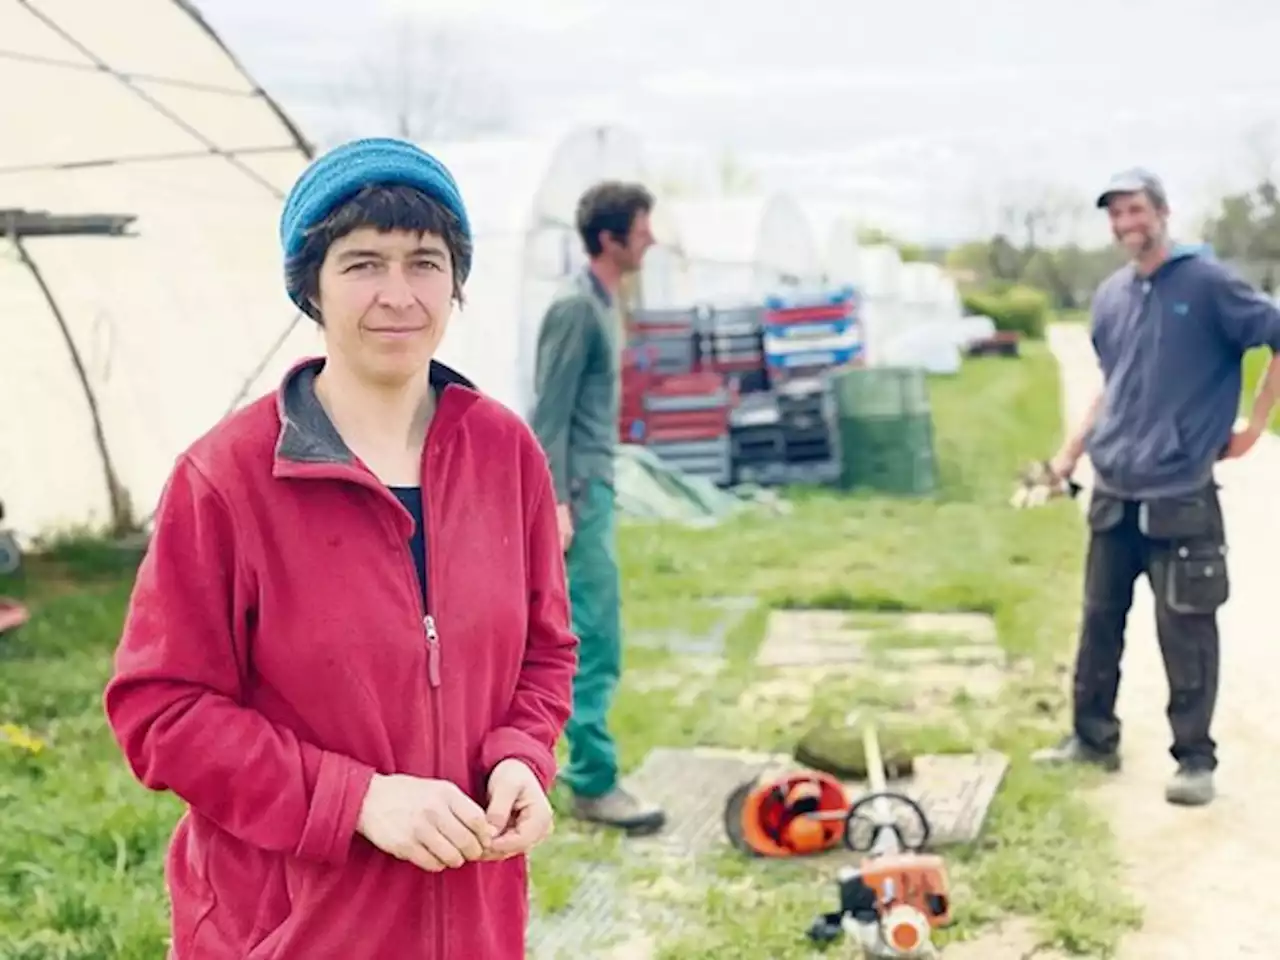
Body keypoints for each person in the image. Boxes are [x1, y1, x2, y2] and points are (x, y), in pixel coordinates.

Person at [102, 137, 579, 958]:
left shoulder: (506, 454)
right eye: (362, 263)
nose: (398, 294)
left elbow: (546, 652)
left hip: (472, 922)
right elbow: (161, 710)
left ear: (456, 282)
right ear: (310, 288)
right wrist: (356, 801)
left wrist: (520, 759)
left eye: (425, 262)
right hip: (293, 929)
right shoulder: (226, 480)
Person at [1034, 167, 1280, 807]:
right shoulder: (1113, 295)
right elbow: (1112, 386)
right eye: (1115, 214)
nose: (1125, 224)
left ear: (1162, 212)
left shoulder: (1208, 283)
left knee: (1186, 628)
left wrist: (1254, 424)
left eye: (1135, 210)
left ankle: (1194, 759)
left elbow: (1275, 335)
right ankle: (1092, 738)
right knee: (1098, 621)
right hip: (1115, 488)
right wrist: (1068, 455)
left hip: (1180, 493)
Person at [528, 181, 665, 835]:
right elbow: (545, 416)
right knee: (593, 636)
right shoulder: (575, 309)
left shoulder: (610, 300)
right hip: (575, 497)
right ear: (609, 237)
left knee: (589, 632)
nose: (651, 240)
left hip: (596, 487)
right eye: (642, 230)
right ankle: (593, 782)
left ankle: (571, 769)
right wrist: (552, 503)